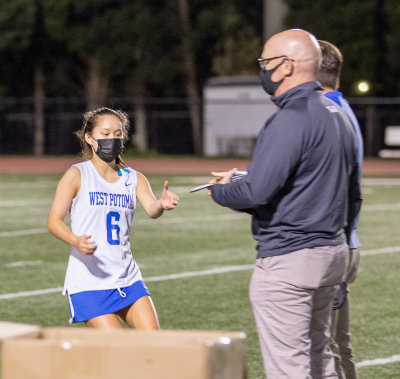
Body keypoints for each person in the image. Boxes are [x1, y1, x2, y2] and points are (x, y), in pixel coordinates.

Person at [208, 29, 361, 378]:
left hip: (290, 260)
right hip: (331, 252)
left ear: (287, 66)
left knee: (289, 368)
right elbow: (350, 193)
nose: (262, 68)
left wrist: (220, 191)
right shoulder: (337, 114)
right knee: (322, 360)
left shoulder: (291, 117)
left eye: (266, 62)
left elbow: (256, 193)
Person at [47, 107, 179, 330]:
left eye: (118, 134)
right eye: (105, 134)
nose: (112, 139)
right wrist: (76, 241)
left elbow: (152, 210)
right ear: (89, 138)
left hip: (128, 278)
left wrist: (161, 204)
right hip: (90, 283)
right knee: (120, 352)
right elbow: (53, 221)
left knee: (156, 345)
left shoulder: (133, 178)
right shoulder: (77, 174)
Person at [318, 39, 363, 379]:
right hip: (346, 240)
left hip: (333, 242)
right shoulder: (341, 109)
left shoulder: (328, 114)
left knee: (323, 346)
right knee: (337, 344)